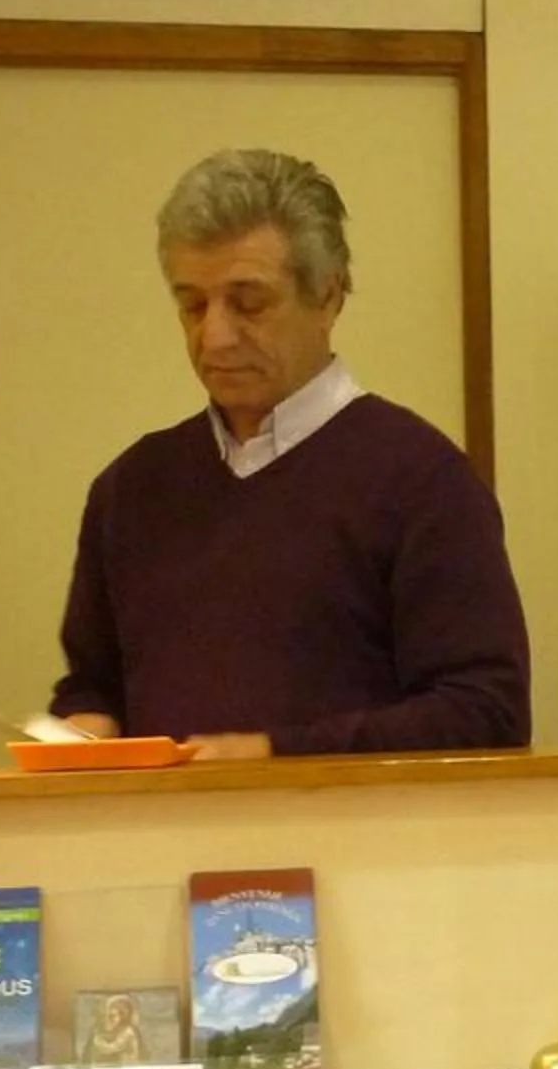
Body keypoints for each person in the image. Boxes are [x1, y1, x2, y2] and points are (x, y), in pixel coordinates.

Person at [50, 148, 530, 758]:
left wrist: (274, 753)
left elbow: (486, 713)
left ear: (328, 297)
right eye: (193, 305)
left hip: (360, 822)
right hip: (164, 820)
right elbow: (93, 685)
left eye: (248, 303)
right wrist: (84, 728)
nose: (214, 336)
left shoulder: (423, 480)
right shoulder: (129, 489)